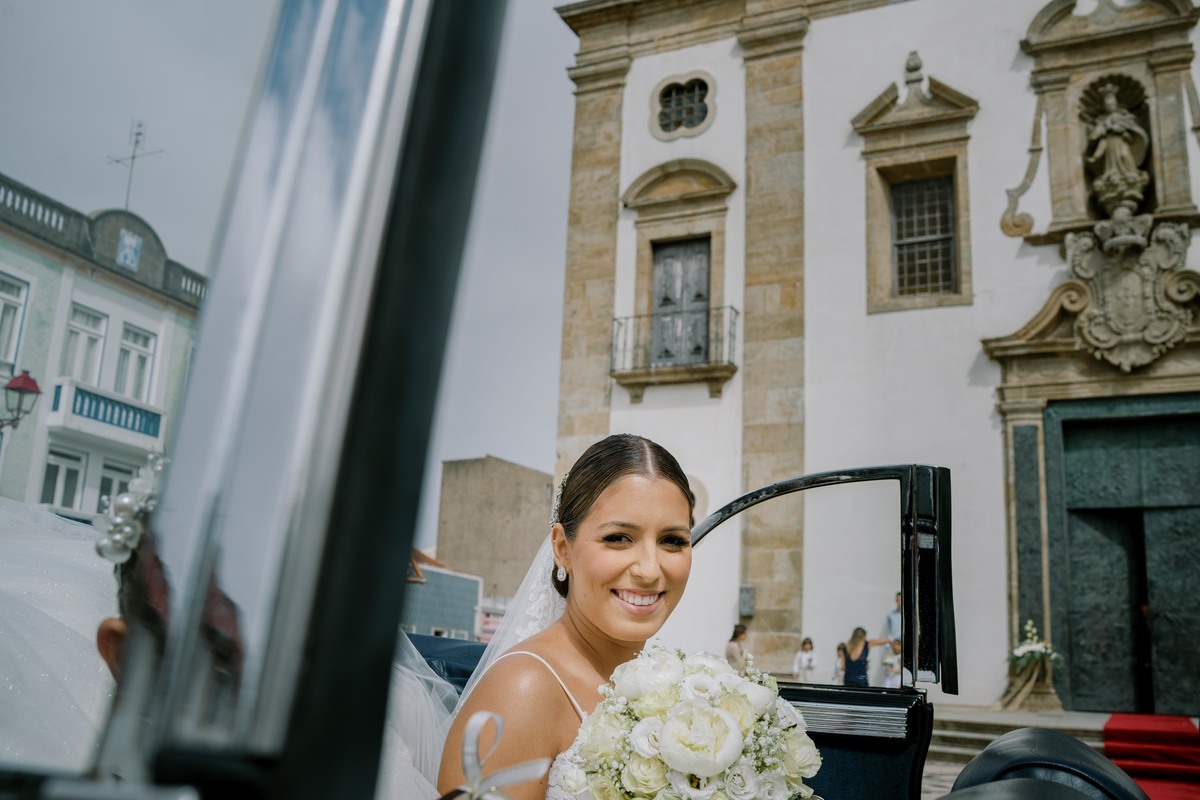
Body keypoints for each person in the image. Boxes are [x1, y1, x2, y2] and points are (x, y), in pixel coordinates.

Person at [434, 433, 695, 800]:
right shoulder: (522, 691)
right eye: (618, 538)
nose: (650, 570)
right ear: (562, 548)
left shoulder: (680, 684)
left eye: (672, 540)